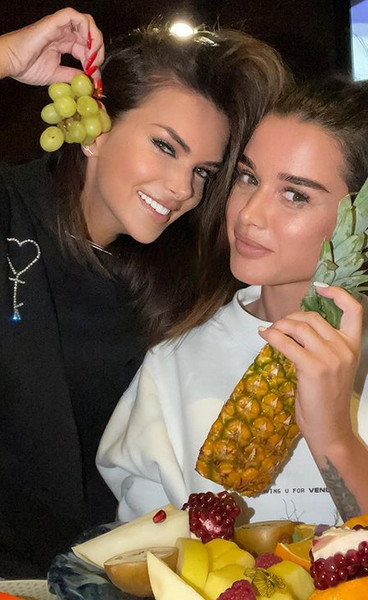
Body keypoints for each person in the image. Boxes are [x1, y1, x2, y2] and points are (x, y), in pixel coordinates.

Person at [97, 60, 368, 552]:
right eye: (247, 177)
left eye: (295, 194)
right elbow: (140, 559)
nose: (249, 214)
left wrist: (335, 440)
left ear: (364, 215)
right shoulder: (174, 361)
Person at [0, 8, 288, 576]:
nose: (183, 189)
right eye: (165, 146)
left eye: (204, 172)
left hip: (102, 576)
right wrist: (5, 55)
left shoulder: (184, 280)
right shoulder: (9, 208)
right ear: (93, 128)